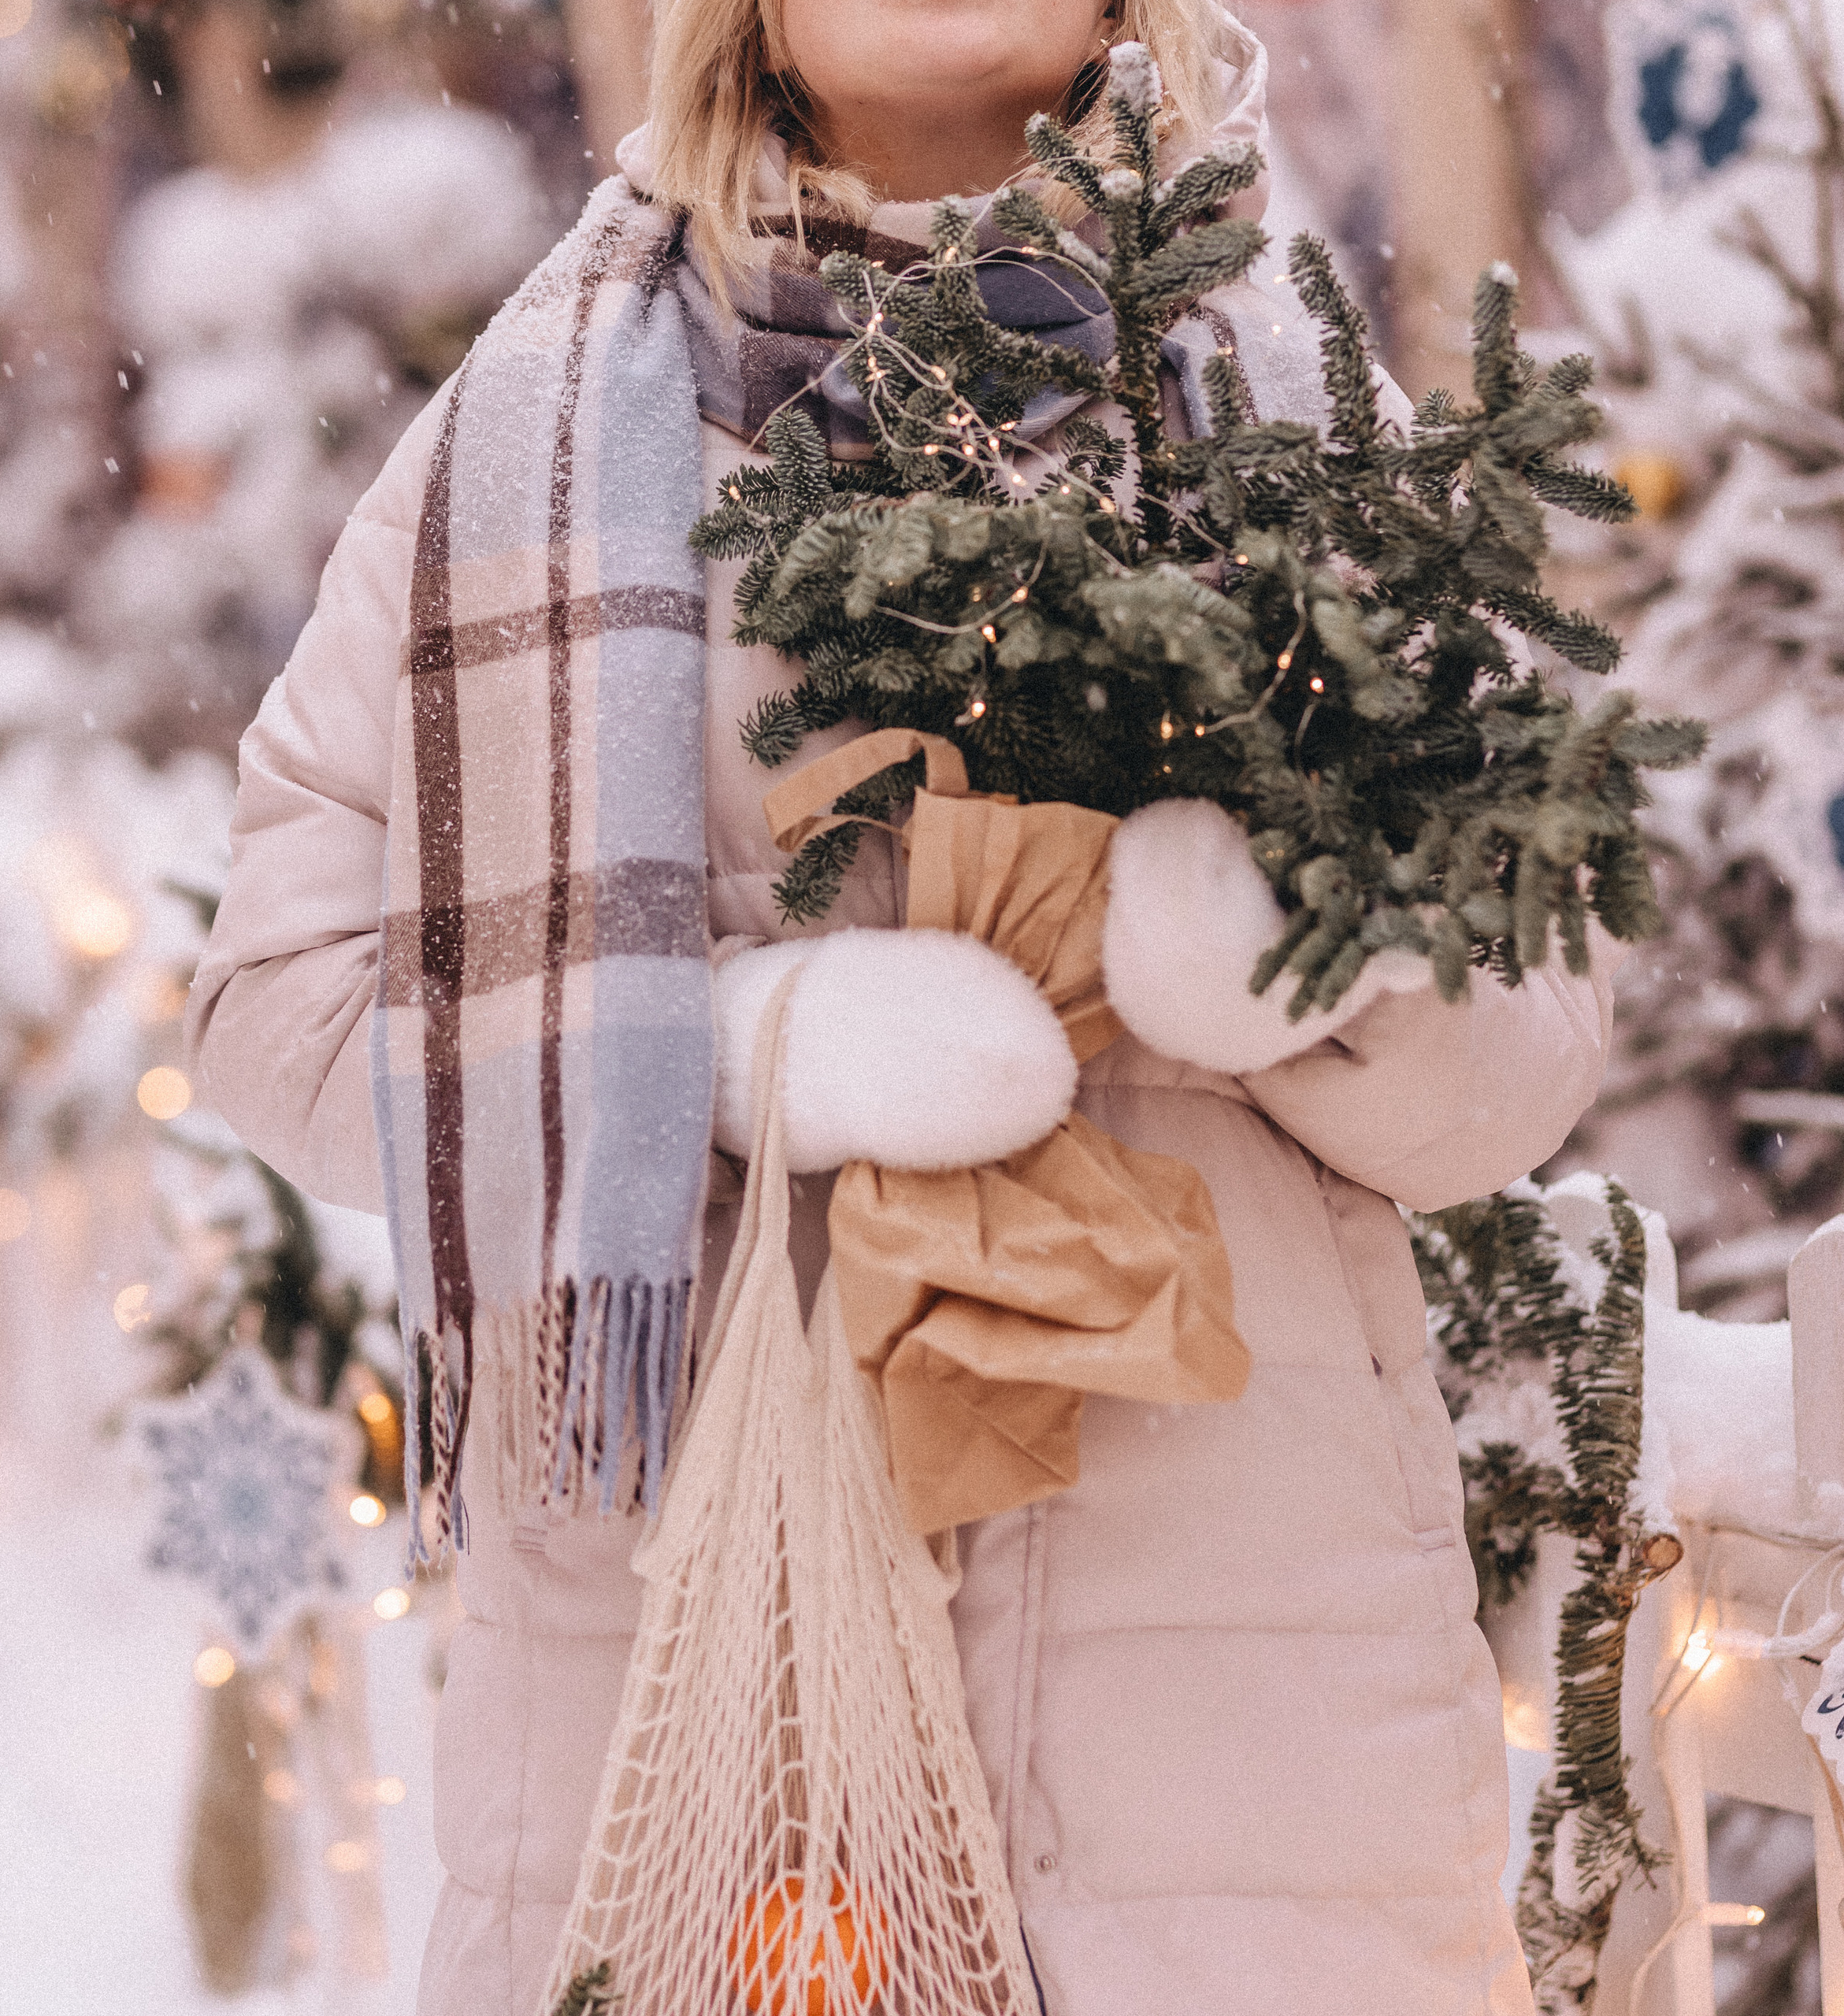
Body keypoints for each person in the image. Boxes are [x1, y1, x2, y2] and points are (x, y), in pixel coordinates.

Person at [188, 2, 1619, 2010]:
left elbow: (1523, 1034)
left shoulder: (1288, 409)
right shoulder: (516, 447)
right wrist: (729, 1045)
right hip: (689, 1722)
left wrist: (1271, 959)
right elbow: (283, 1001)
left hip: (1235, 1780)